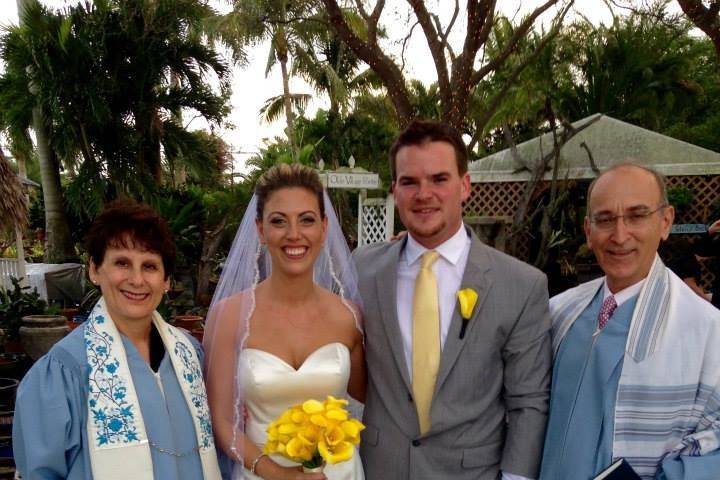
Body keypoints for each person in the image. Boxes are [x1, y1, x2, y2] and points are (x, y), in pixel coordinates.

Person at [353, 120, 552, 480]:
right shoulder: (361, 270)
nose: (423, 194)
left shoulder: (521, 285)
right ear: (394, 191)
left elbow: (529, 402)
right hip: (379, 469)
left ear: (464, 186)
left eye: (439, 179)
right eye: (409, 182)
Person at [12, 199, 221, 479]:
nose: (136, 280)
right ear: (95, 270)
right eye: (122, 262)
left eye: (150, 266)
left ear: (166, 281)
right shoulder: (64, 370)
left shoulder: (189, 354)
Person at [540, 163, 720, 480]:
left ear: (665, 222)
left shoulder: (707, 330)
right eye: (605, 219)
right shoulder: (559, 312)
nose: (620, 236)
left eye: (637, 216)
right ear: (588, 230)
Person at [204, 163, 366, 480]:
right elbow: (222, 422)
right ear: (261, 230)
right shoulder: (230, 316)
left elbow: (370, 399)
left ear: (323, 228)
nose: (294, 234)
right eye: (279, 221)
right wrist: (280, 475)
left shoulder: (349, 316)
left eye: (306, 220)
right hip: (260, 473)